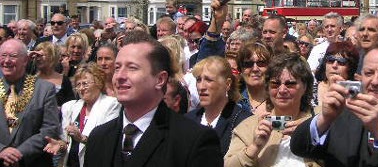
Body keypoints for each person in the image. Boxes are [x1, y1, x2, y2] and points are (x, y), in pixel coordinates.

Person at [84, 37, 223, 166]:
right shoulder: (99, 137)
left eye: (132, 68)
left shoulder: (193, 140)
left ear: (160, 79)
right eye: (117, 68)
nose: (120, 76)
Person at [225, 52, 319, 167]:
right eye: (275, 84)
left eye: (290, 84)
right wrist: (255, 147)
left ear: (305, 86)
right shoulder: (249, 127)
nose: (282, 90)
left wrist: (310, 136)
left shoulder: (319, 123)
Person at [43, 63, 120, 167]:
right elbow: (66, 142)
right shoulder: (69, 107)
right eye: (78, 85)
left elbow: (108, 142)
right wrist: (60, 145)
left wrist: (82, 138)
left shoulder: (111, 104)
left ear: (98, 83)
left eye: (85, 83)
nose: (81, 88)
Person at [0, 39, 60, 166]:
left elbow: (50, 129)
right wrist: (2, 150)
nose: (7, 61)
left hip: (32, 161)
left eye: (13, 56)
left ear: (25, 60)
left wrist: (19, 153)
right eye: (3, 56)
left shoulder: (44, 89)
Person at [186, 56, 252, 155]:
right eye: (199, 80)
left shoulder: (244, 122)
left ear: (227, 84)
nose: (201, 87)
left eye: (208, 80)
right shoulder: (188, 120)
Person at [313, 41, 359, 106]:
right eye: (330, 60)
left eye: (341, 62)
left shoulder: (355, 94)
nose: (334, 65)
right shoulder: (309, 89)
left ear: (350, 67)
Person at [31, 42, 75, 106]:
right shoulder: (31, 80)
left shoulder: (64, 80)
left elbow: (71, 104)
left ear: (52, 57)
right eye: (37, 56)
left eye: (41, 55)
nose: (38, 58)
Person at [237, 42, 272, 117]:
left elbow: (287, 126)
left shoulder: (279, 100)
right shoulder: (232, 102)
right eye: (248, 64)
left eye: (261, 63)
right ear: (240, 70)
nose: (255, 69)